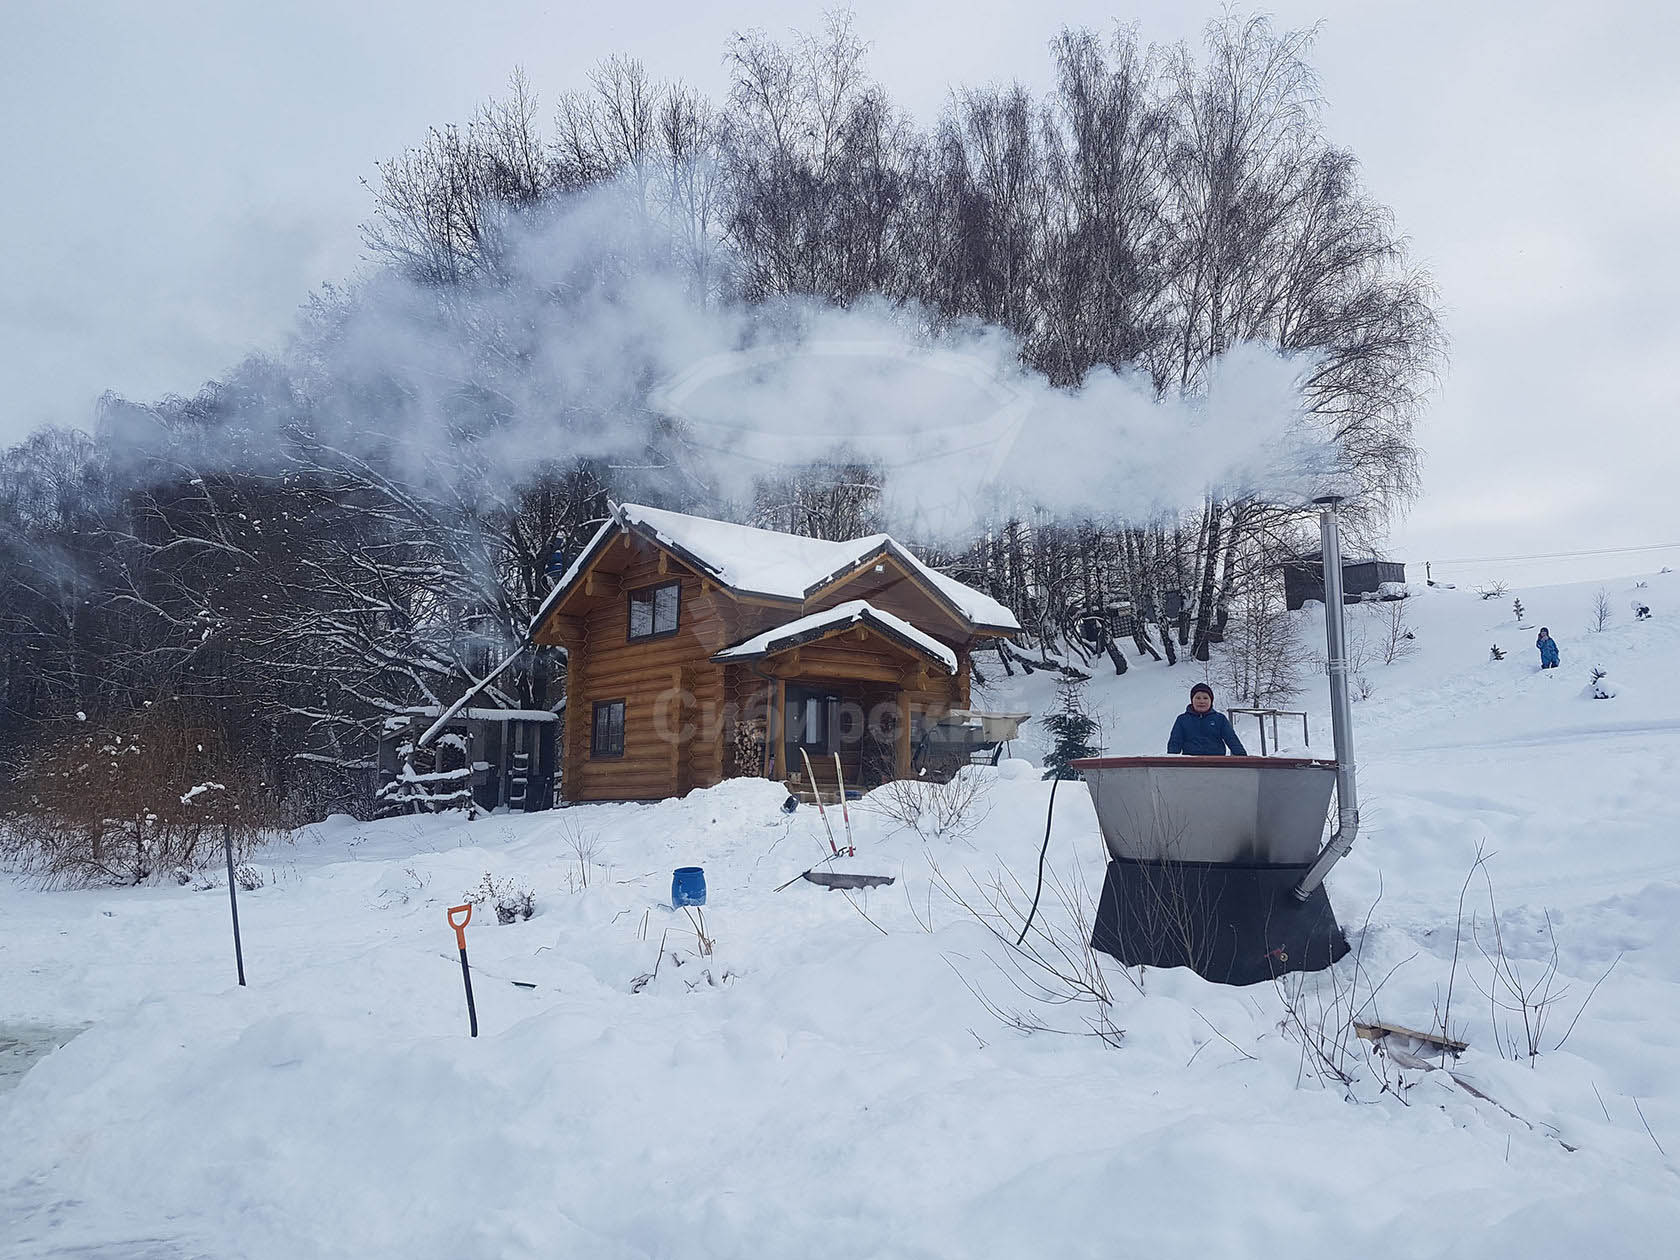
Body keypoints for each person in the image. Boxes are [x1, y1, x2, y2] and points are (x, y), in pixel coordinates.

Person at [1167, 683, 1249, 756]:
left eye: (1205, 698)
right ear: (1192, 700)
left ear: (1211, 701)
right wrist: (1171, 763)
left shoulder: (1220, 719)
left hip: (1216, 762)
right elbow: (1175, 742)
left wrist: (1243, 758)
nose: (1201, 701)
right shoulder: (1182, 720)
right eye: (1198, 698)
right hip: (1191, 763)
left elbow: (1232, 740)